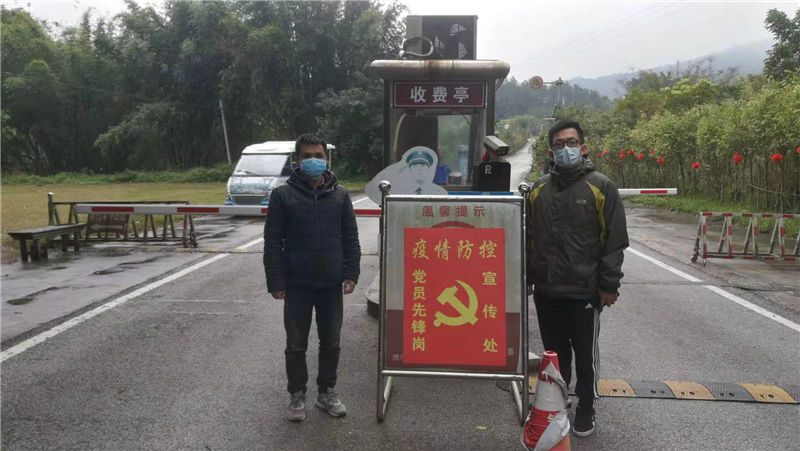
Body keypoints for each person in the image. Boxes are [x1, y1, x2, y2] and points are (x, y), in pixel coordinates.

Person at [526, 119, 628, 437]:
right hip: (547, 290)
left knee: (585, 356)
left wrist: (609, 285)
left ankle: (586, 407)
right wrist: (528, 276)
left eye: (571, 143)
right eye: (559, 144)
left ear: (583, 148)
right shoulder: (538, 190)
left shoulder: (601, 187)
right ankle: (558, 403)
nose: (565, 149)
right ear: (551, 151)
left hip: (585, 290)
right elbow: (529, 238)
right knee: (555, 354)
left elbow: (614, 241)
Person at [263, 133, 361, 422]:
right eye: (307, 156)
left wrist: (351, 271)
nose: (313, 161)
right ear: (297, 160)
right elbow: (273, 242)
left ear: (326, 159)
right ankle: (297, 394)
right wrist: (276, 281)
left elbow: (350, 237)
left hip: (330, 284)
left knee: (331, 341)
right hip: (297, 285)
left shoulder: (340, 195)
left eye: (318, 156)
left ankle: (326, 392)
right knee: (296, 344)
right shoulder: (282, 196)